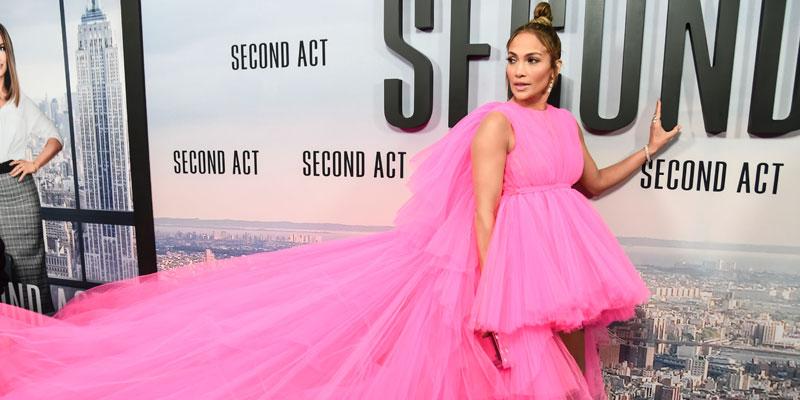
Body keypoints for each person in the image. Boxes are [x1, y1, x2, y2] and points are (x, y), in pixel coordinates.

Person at [0, 4, 681, 399]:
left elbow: (588, 185)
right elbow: (483, 217)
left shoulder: (563, 125)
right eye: (511, 58)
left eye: (532, 60)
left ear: (555, 68)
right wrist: (490, 306)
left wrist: (647, 150)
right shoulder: (496, 125)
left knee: (570, 379)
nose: (519, 70)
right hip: (510, 282)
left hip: (565, 275)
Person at [0, 23, 63, 314]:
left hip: (17, 191)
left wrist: (35, 164)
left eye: (1, 48)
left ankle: (37, 343)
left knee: (29, 276)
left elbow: (56, 138)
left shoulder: (19, 102)